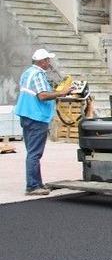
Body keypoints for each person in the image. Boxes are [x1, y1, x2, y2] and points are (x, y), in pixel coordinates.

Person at [14, 49, 72, 196]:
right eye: (47, 60)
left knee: (32, 151)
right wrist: (62, 93)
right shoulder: (39, 74)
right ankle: (33, 186)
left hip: (26, 115)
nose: (49, 62)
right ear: (42, 61)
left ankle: (37, 183)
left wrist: (56, 91)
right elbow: (42, 96)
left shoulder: (28, 72)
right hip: (36, 117)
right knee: (35, 153)